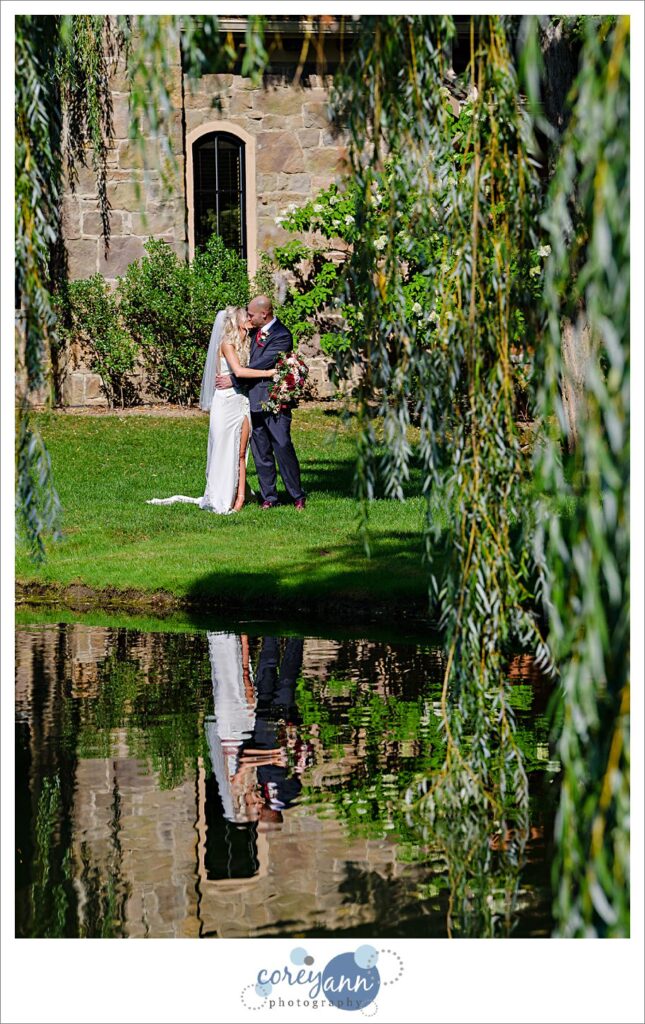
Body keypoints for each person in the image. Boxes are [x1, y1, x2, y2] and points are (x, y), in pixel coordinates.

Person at [145, 306, 274, 514]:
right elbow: (239, 372)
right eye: (247, 316)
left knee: (241, 452)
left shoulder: (248, 342)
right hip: (225, 403)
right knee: (222, 450)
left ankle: (240, 498)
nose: (251, 319)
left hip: (242, 401)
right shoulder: (226, 344)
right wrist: (269, 373)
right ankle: (220, 495)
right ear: (238, 322)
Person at [216, 295, 306, 510]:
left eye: (251, 314)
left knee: (282, 447)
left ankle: (296, 495)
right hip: (251, 400)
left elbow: (263, 362)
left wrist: (234, 378)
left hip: (273, 401)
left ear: (264, 314)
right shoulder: (252, 331)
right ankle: (269, 497)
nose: (248, 318)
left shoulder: (282, 335)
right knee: (260, 451)